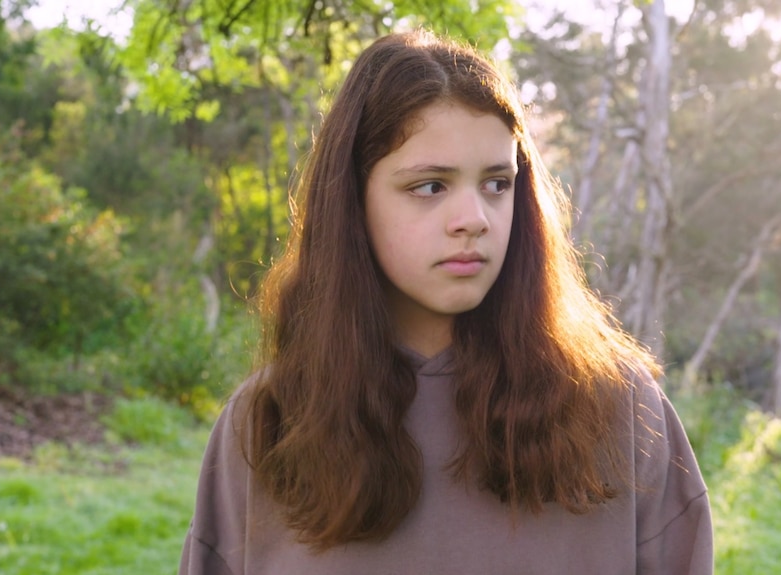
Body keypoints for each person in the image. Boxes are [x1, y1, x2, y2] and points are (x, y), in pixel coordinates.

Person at [179, 29, 713, 575]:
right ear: (352, 203)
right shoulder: (267, 425)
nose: (475, 219)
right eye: (431, 186)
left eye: (497, 184)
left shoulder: (620, 411)